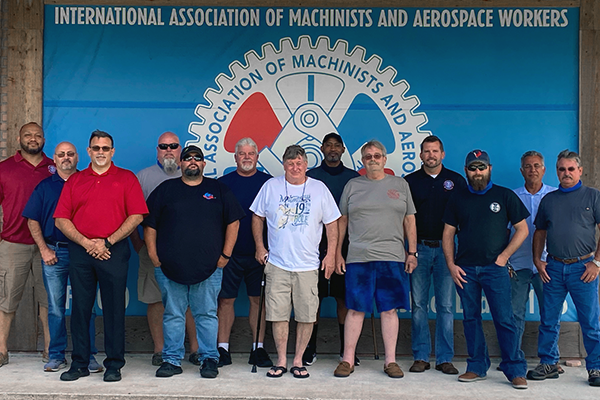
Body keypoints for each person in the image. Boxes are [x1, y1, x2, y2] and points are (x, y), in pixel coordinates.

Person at [54, 130, 148, 382]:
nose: (100, 152)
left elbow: (137, 216)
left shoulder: (126, 178)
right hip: (81, 252)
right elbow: (62, 218)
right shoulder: (76, 180)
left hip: (114, 251)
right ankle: (80, 363)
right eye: (96, 148)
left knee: (114, 310)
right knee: (81, 309)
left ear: (112, 152)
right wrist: (87, 243)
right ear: (88, 151)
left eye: (105, 148)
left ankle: (114, 364)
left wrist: (107, 241)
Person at [144, 145, 244, 379]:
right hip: (169, 268)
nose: (192, 162)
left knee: (207, 315)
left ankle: (209, 358)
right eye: (187, 159)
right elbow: (150, 225)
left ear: (203, 164)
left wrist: (225, 255)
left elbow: (234, 222)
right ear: (180, 164)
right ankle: (171, 360)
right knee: (173, 315)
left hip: (209, 268)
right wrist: (153, 255)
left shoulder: (218, 189)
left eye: (197, 159)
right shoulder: (165, 189)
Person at [442, 149, 529, 390]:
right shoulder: (457, 198)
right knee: (471, 319)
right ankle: (476, 367)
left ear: (490, 169)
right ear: (466, 171)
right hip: (466, 269)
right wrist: (451, 265)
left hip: (495, 269)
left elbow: (522, 229)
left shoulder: (505, 195)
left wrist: (504, 257)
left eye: (482, 167)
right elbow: (448, 233)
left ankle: (515, 369)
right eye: (473, 168)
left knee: (505, 319)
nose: (477, 172)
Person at [250, 144, 340, 379]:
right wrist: (260, 246)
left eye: (299, 163)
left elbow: (332, 223)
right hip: (278, 264)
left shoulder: (319, 189)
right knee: (278, 315)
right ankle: (281, 360)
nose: (295, 167)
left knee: (306, 315)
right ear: (284, 165)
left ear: (306, 164)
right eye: (290, 163)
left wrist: (330, 255)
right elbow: (257, 216)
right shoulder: (271, 186)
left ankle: (298, 360)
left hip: (308, 266)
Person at [333, 140, 417, 379]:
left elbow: (409, 220)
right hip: (358, 257)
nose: (373, 159)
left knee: (389, 311)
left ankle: (390, 361)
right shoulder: (352, 185)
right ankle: (347, 359)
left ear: (385, 159)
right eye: (368, 156)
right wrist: (338, 251)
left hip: (392, 257)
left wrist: (411, 253)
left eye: (377, 156)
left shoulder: (400, 184)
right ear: (362, 161)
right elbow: (342, 221)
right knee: (355, 309)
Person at [22, 142, 102, 373]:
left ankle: (87, 356)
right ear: (54, 160)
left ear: (78, 158)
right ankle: (56, 355)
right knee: (56, 307)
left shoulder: (88, 183)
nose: (66, 158)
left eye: (70, 154)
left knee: (86, 307)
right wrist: (44, 250)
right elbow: (32, 219)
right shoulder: (45, 187)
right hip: (54, 253)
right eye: (61, 155)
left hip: (83, 253)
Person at [527, 150, 600, 387]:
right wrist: (538, 261)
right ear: (556, 171)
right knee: (549, 319)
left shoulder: (592, 197)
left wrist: (597, 262)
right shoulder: (549, 200)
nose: (566, 173)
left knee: (589, 321)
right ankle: (549, 362)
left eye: (571, 169)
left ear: (579, 171)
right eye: (562, 169)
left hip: (583, 268)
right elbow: (539, 231)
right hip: (555, 268)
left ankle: (596, 367)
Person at [129, 132, 200, 367]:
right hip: (153, 251)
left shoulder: (193, 173)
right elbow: (132, 214)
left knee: (189, 301)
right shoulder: (144, 177)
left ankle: (195, 349)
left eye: (173, 146)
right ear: (157, 150)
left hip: (187, 253)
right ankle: (160, 350)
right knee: (155, 300)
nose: (168, 150)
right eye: (163, 146)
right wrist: (139, 245)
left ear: (181, 151)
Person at [404, 135, 465, 375]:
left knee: (446, 305)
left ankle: (444, 358)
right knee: (418, 304)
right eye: (426, 151)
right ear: (420, 155)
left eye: (435, 151)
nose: (431, 155)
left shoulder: (456, 181)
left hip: (447, 250)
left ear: (443, 154)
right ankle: (420, 356)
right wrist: (410, 250)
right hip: (418, 249)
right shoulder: (409, 182)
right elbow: (404, 218)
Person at [304, 133, 360, 366]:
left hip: (346, 248)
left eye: (337, 145)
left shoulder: (354, 179)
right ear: (322, 148)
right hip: (312, 247)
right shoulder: (311, 177)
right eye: (329, 145)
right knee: (312, 299)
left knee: (343, 299)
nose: (333, 149)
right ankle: (310, 347)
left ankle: (346, 351)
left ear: (343, 149)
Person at [0, 122, 53, 367]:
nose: (33, 139)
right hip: (13, 243)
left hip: (49, 245)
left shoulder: (54, 168)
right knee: (6, 299)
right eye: (28, 135)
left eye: (38, 135)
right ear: (19, 138)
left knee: (48, 300)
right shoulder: (4, 169)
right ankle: (1, 349)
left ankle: (50, 349)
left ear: (44, 139)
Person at [217, 138, 272, 368]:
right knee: (225, 300)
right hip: (229, 255)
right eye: (242, 153)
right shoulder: (222, 184)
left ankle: (257, 348)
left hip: (260, 254)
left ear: (257, 157)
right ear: (235, 157)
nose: (247, 157)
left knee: (258, 300)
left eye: (251, 153)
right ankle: (222, 349)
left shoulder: (270, 183)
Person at [510, 151, 556, 354]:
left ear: (544, 169)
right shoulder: (512, 197)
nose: (533, 170)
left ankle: (551, 358)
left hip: (547, 265)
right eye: (528, 166)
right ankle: (513, 356)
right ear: (522, 171)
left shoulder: (554, 196)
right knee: (515, 313)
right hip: (517, 264)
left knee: (549, 313)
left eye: (537, 166)